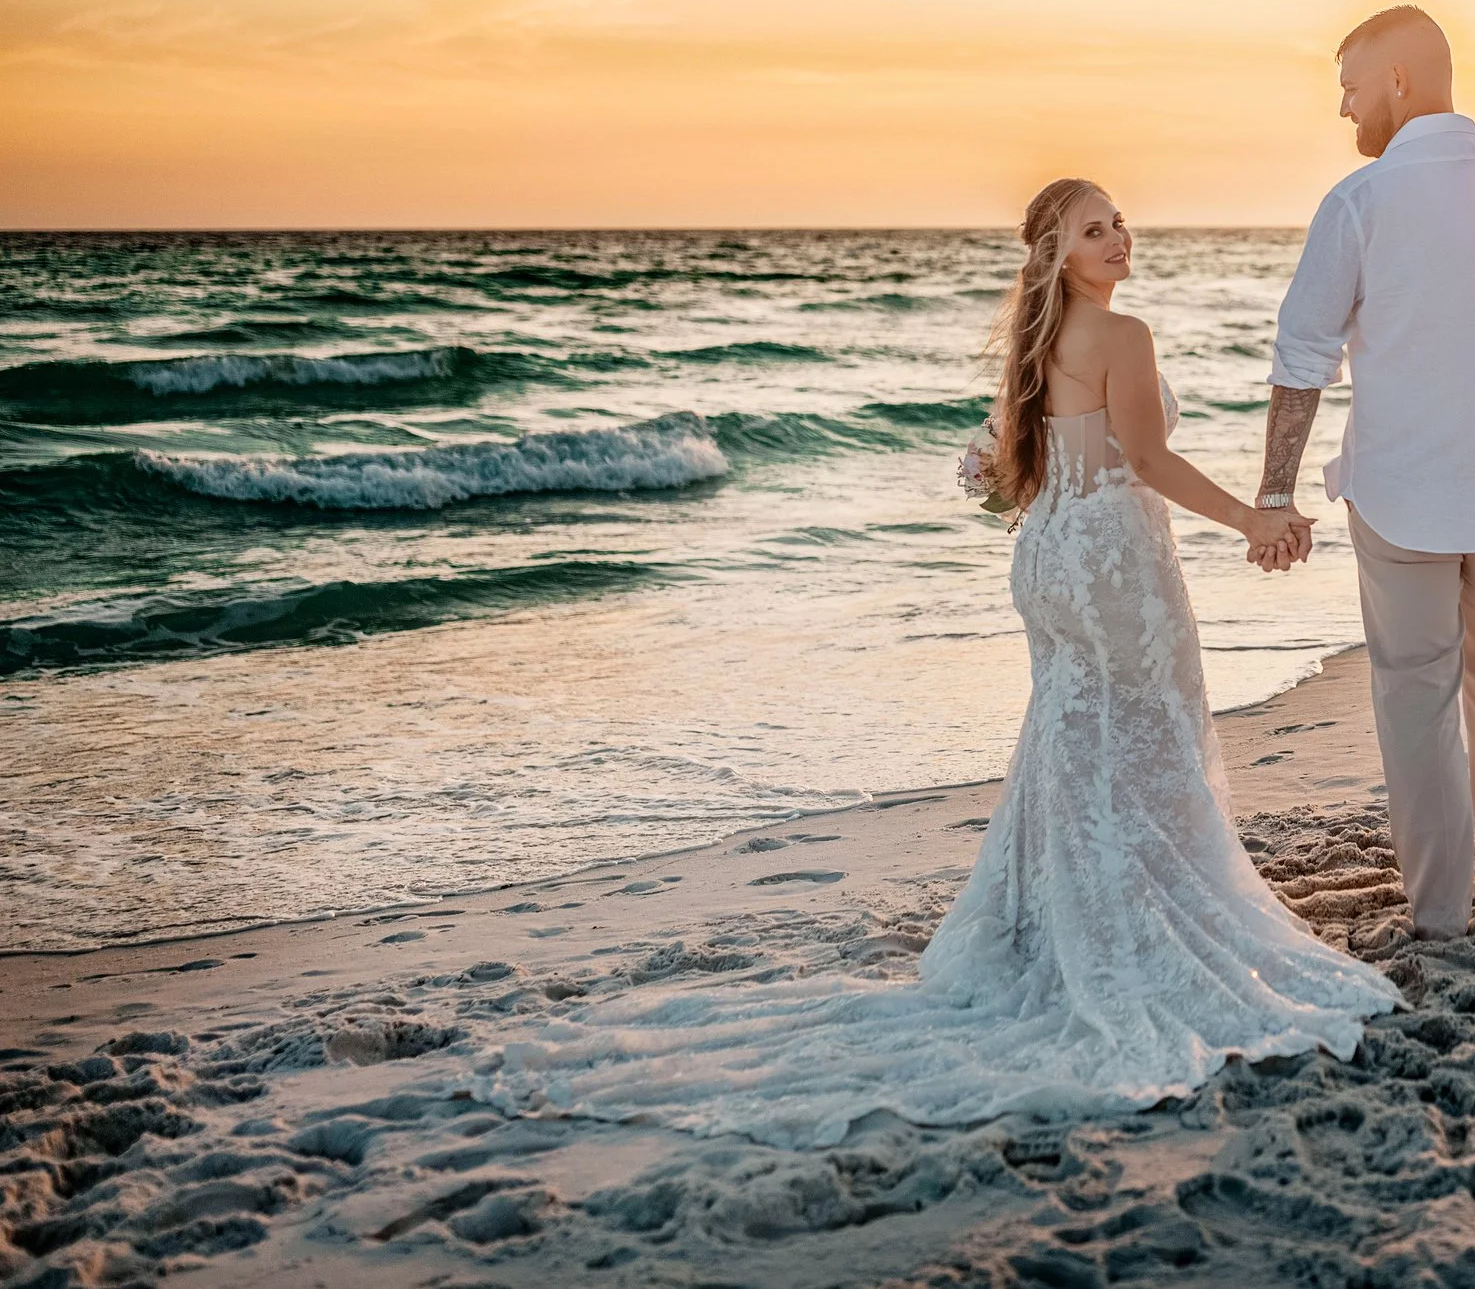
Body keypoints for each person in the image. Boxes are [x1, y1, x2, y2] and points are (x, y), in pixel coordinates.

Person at [476, 179, 1396, 1148]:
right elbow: (1150, 462)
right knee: (1149, 730)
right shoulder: (1122, 338)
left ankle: (1049, 924)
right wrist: (1253, 516)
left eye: (1118, 220)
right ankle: (1134, 927)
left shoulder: (1036, 344)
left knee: (1073, 736)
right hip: (1116, 556)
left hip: (1047, 555)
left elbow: (1021, 470)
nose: (1119, 237)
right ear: (1055, 252)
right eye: (1095, 229)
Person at [1252, 5, 1475, 940]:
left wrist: (1276, 493)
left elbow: (1302, 357)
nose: (1345, 111)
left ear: (1401, 79)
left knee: (1414, 690)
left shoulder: (1359, 203)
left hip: (1406, 493)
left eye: (1351, 87)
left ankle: (1443, 913)